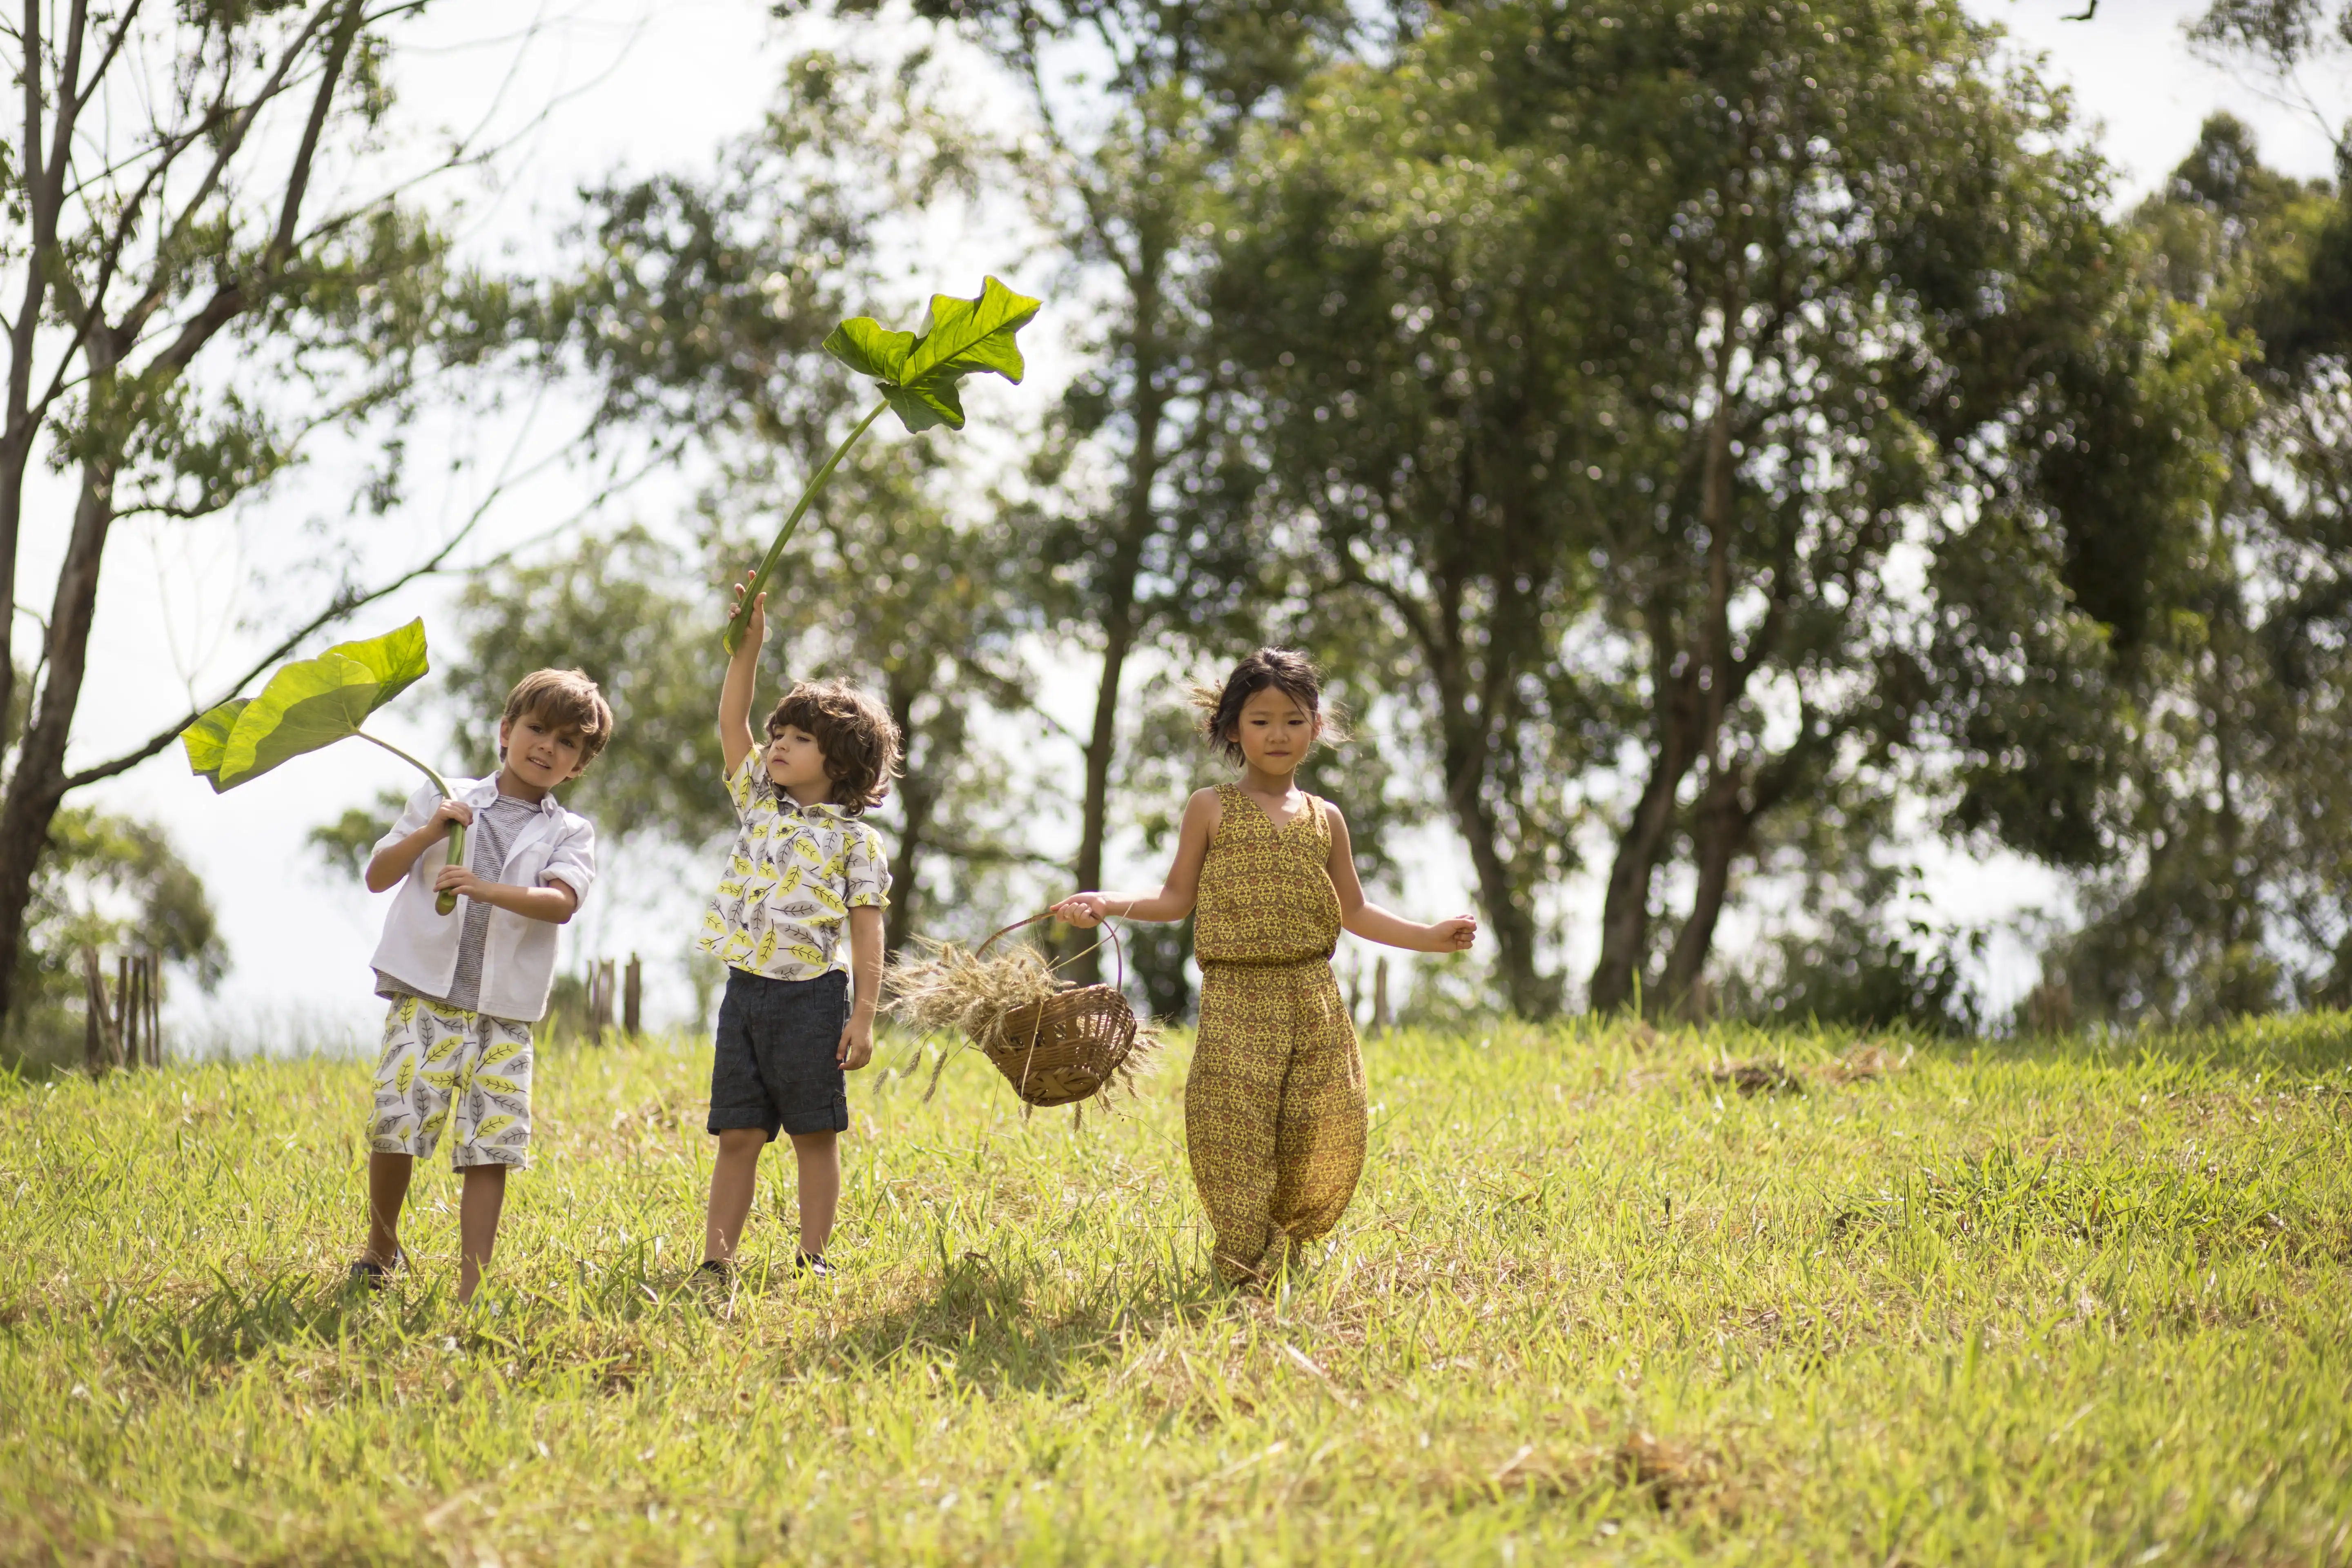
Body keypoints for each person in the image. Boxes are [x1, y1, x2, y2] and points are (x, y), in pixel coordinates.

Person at [1053, 648, 1477, 1285]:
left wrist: (1429, 937)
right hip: (1236, 994)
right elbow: (1176, 901)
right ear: (1231, 730)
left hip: (1312, 993)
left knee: (1318, 1118)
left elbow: (1355, 911)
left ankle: (1291, 1249)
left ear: (1316, 728)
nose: (1278, 734)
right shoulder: (1211, 806)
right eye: (1260, 720)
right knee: (1232, 1119)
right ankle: (1242, 1252)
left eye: (1294, 719)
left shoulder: (1326, 818)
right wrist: (1107, 901)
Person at [353, 668, 610, 1303]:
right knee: (399, 1121)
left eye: (568, 743)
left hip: (504, 1013)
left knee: (491, 1146)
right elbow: (379, 874)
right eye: (537, 729)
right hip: (427, 997)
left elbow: (560, 903)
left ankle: (474, 1286)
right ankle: (379, 1256)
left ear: (578, 765)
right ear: (505, 730)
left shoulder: (570, 833)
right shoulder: (446, 798)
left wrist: (481, 887)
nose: (548, 747)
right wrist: (432, 833)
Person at [695, 570, 901, 1283]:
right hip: (745, 994)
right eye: (778, 733)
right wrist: (748, 649)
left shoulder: (855, 842)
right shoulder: (760, 802)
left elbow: (868, 934)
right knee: (740, 1133)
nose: (777, 745)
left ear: (840, 761)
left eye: (799, 738)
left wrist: (864, 1017)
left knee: (815, 1134)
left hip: (812, 999)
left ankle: (814, 1257)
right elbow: (732, 722)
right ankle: (717, 1261)